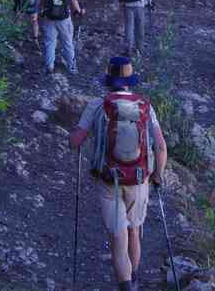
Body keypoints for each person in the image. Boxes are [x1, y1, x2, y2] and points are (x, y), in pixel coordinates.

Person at [69, 57, 168, 291]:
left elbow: (76, 142)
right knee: (135, 231)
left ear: (108, 80)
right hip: (139, 178)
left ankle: (125, 286)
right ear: (129, 81)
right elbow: (161, 147)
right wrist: (158, 176)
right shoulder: (145, 105)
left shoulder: (97, 104)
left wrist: (74, 136)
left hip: (108, 180)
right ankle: (133, 280)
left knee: (118, 238)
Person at [39, 0, 85, 74]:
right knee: (68, 42)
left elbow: (41, 0)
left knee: (50, 42)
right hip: (64, 19)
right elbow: (73, 0)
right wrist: (79, 11)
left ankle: (49, 66)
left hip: (49, 18)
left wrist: (40, 12)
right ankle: (72, 67)